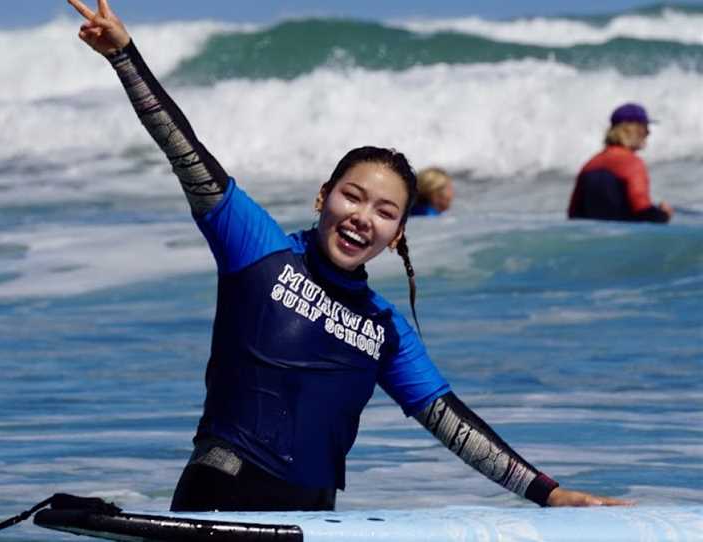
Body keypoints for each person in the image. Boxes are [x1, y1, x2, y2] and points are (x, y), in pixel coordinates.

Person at [68, 0, 630, 512]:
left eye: (386, 212)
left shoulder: (384, 328)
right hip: (223, 495)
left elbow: (450, 422)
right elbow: (186, 154)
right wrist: (124, 57)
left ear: (398, 233)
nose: (364, 217)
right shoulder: (258, 249)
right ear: (323, 197)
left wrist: (547, 492)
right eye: (352, 197)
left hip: (316, 515)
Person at [568, 103, 672, 223]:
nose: (648, 133)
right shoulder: (632, 163)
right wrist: (663, 214)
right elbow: (643, 211)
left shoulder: (590, 164)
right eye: (645, 127)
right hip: (624, 236)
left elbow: (573, 213)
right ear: (633, 130)